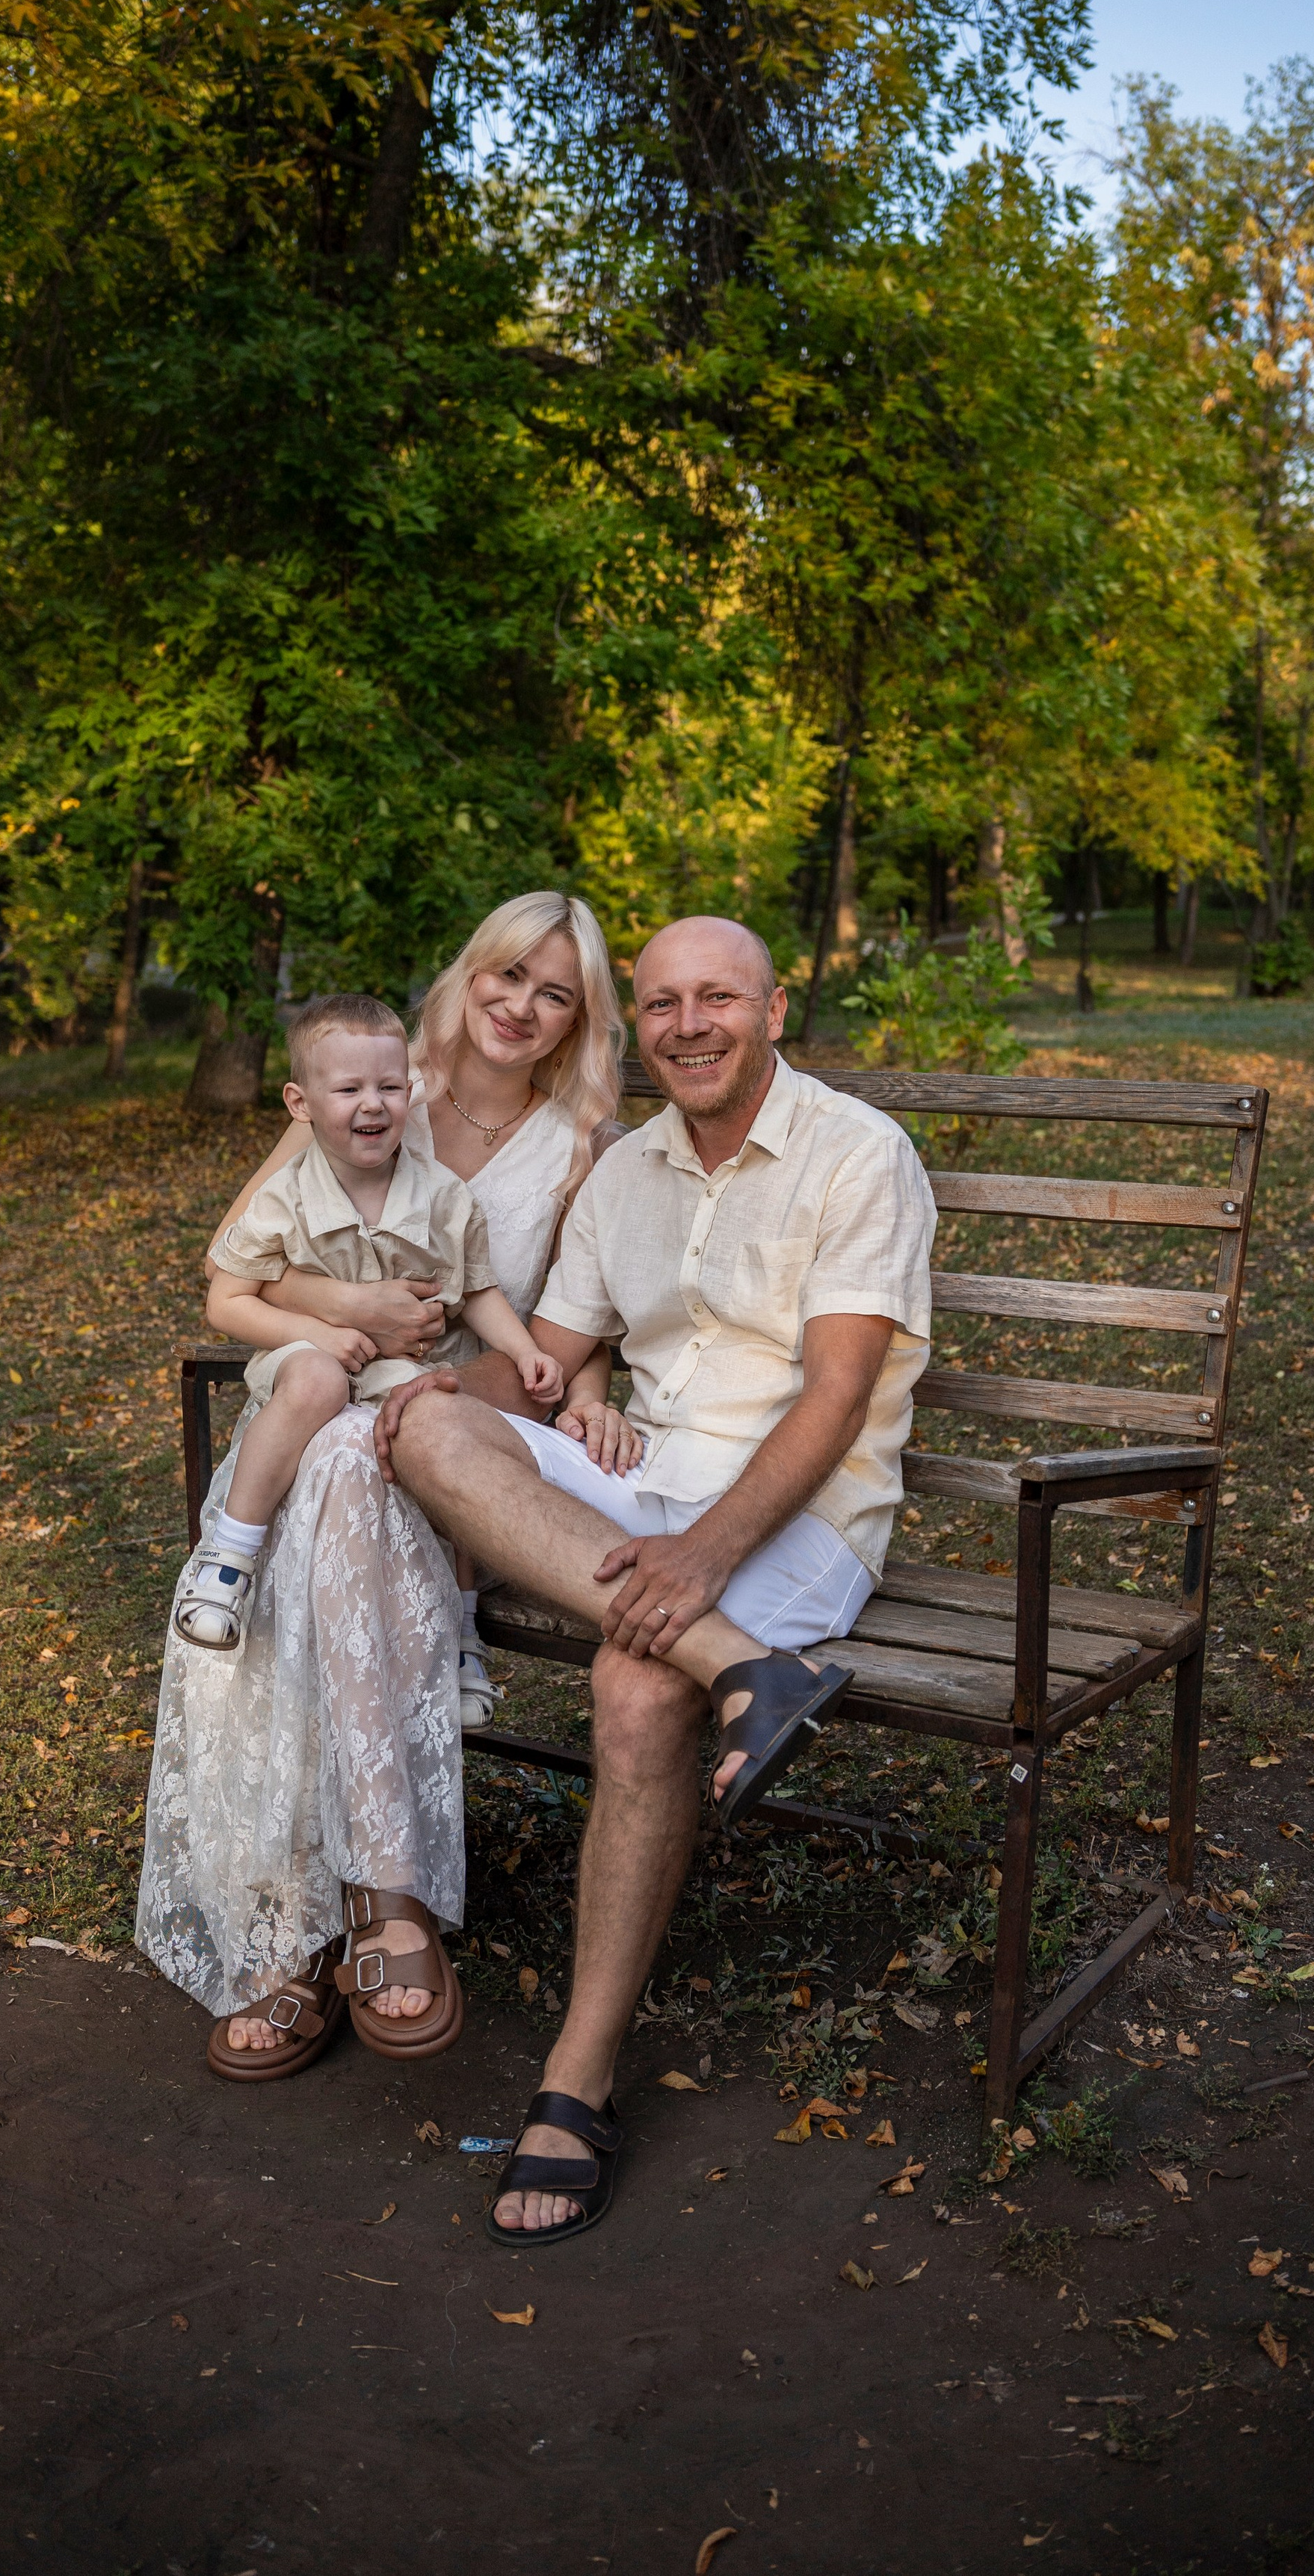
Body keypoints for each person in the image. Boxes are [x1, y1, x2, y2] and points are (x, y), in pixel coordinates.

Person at [374, 915, 937, 2243]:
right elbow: (544, 1358)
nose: (691, 1025)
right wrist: (393, 1377)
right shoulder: (624, 1173)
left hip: (802, 1510)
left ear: (776, 1009)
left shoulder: (860, 1154)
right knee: (424, 1425)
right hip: (647, 1483)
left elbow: (841, 1396)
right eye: (666, 1003)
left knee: (633, 1695)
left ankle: (576, 2080)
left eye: (721, 999)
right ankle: (747, 1666)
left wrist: (704, 1555)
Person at [135, 892, 631, 2078]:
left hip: (469, 1436)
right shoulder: (366, 1073)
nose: (520, 1005)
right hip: (327, 1409)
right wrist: (352, 1308)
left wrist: (596, 1382)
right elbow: (244, 1261)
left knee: (357, 1471)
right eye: (506, 975)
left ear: (576, 1020)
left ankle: (296, 1932)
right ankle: (377, 1903)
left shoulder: (583, 1142)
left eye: (554, 992)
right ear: (467, 976)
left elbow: (579, 1313)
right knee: (342, 1470)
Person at [168, 990, 564, 1655]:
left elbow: (477, 1291)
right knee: (320, 1380)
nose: (372, 1103)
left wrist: (526, 1352)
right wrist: (317, 1334)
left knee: (439, 1423)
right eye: (348, 1088)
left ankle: (461, 1630)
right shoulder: (284, 1197)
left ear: (411, 1093)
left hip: (400, 1371)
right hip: (303, 1359)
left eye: (388, 1085)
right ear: (301, 1104)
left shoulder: (442, 1196)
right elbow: (226, 1301)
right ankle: (226, 1562)